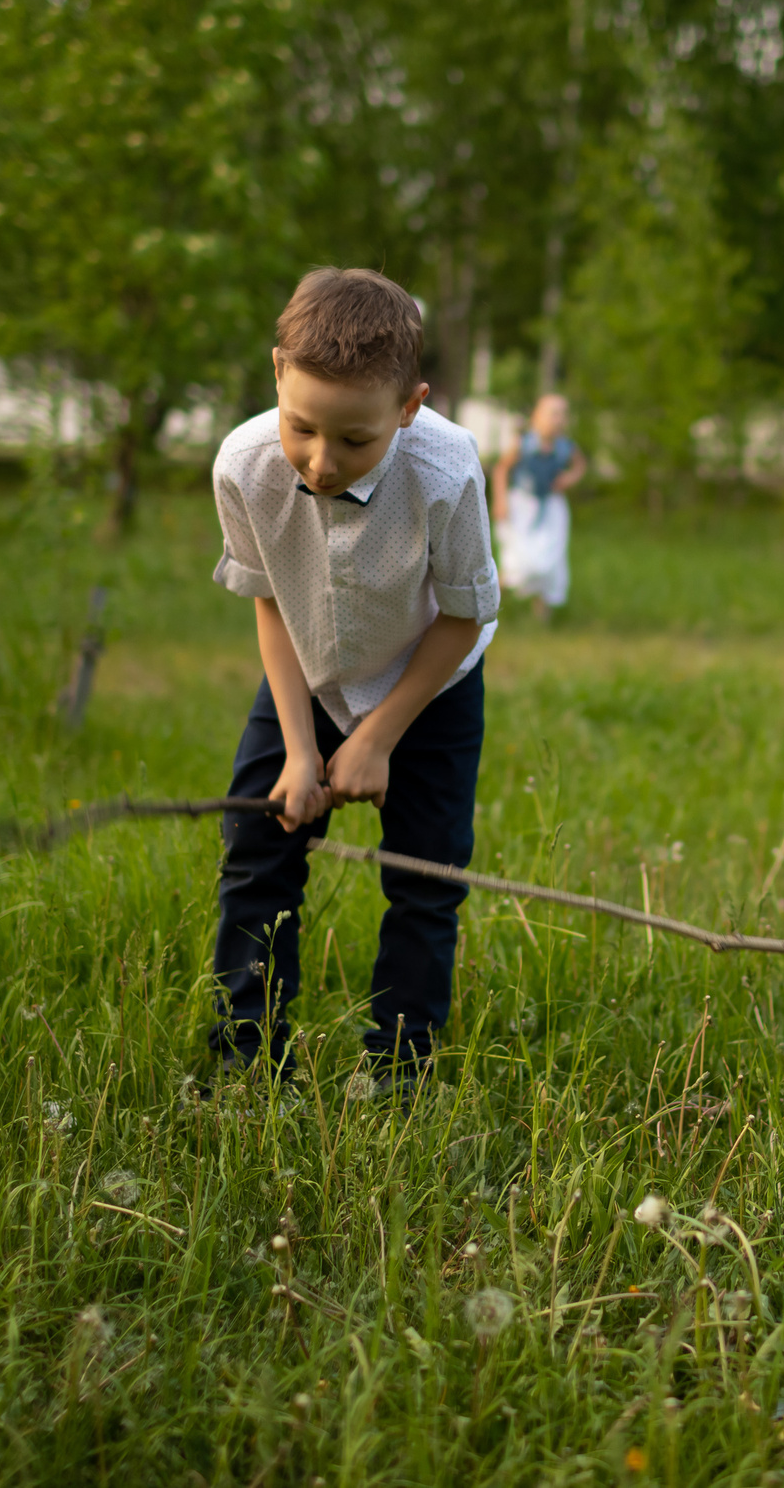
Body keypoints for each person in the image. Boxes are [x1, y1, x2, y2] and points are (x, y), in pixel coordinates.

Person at [206, 268, 500, 1093]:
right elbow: (270, 598)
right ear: (276, 374)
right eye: (302, 427)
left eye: (356, 440)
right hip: (307, 675)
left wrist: (377, 738)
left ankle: (399, 1071)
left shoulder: (447, 471)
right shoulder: (244, 464)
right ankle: (248, 1060)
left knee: (425, 875)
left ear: (411, 405)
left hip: (429, 684)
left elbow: (463, 614)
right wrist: (302, 749)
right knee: (257, 853)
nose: (322, 461)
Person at [492, 393, 585, 621]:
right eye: (554, 414)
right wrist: (500, 500)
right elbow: (501, 469)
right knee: (518, 560)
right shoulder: (523, 443)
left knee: (549, 561)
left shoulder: (565, 447)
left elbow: (580, 465)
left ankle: (542, 618)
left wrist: (570, 478)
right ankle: (490, 606)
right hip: (523, 507)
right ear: (537, 416)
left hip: (551, 508)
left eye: (564, 414)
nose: (559, 419)